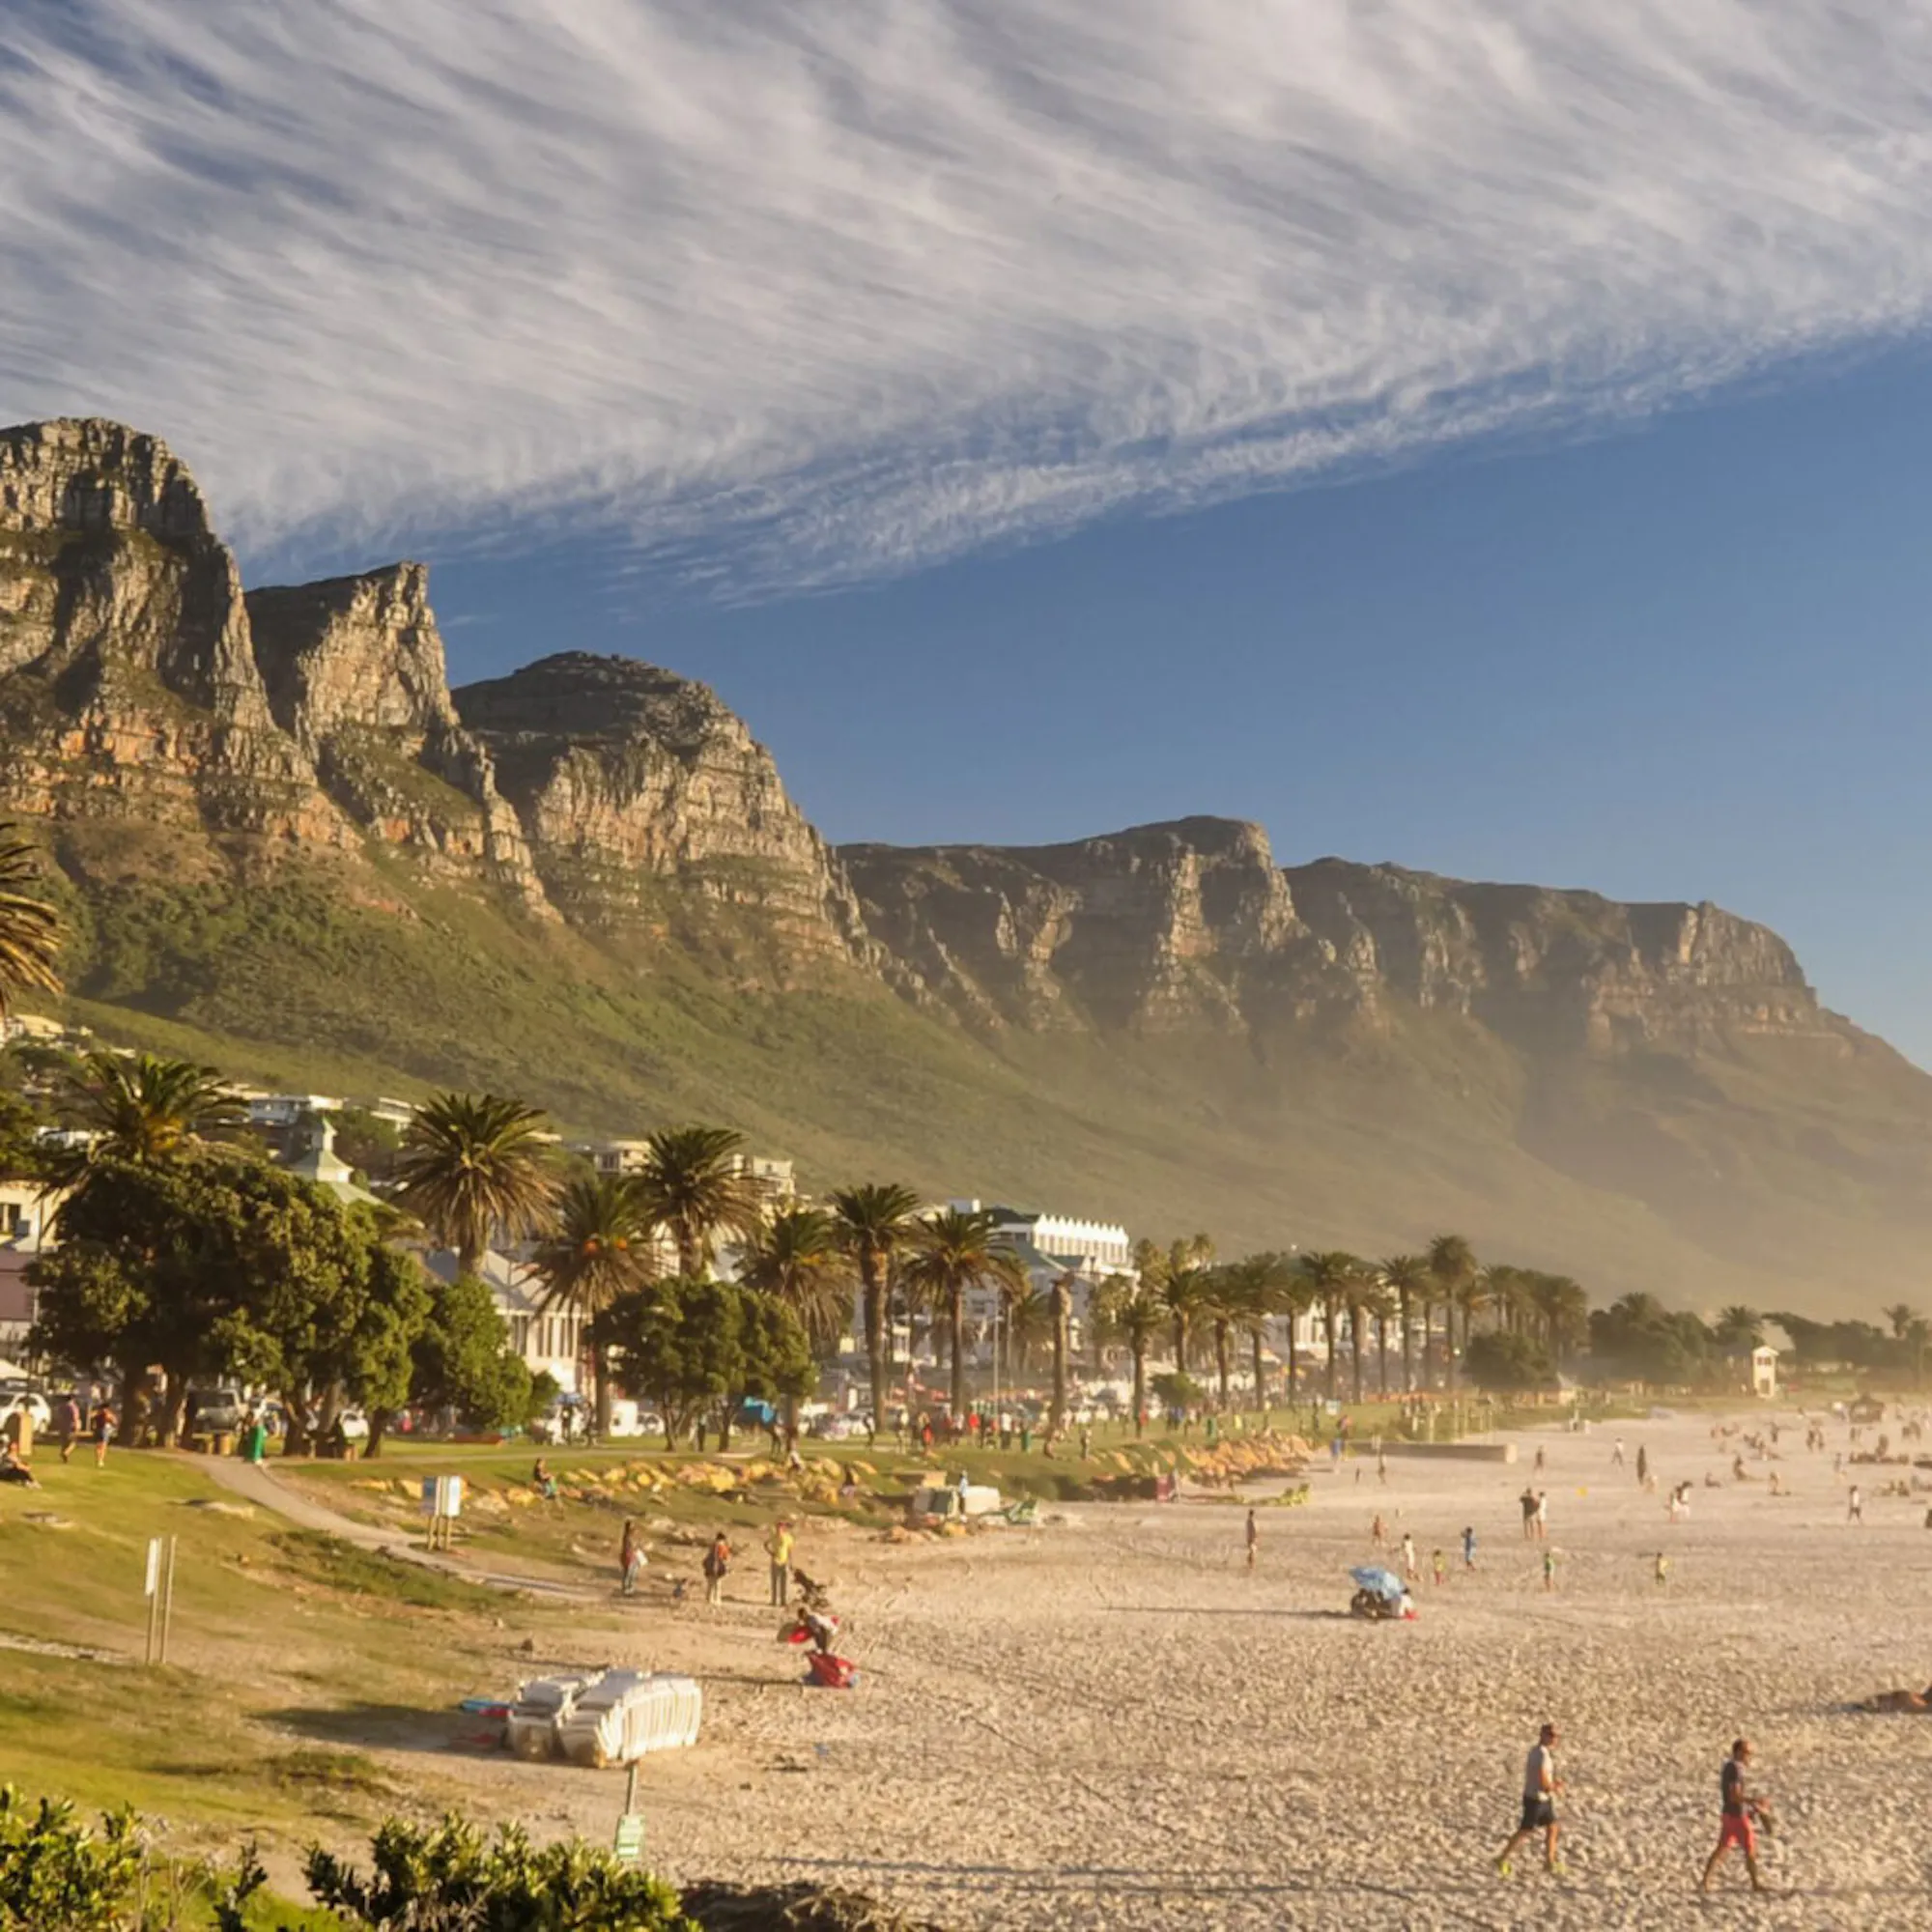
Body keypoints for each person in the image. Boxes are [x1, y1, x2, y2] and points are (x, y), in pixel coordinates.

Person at [1698, 1739, 1768, 1895]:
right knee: (1749, 1849)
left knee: (1722, 1848)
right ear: (1739, 1752)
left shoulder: (1730, 1768)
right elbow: (1734, 1795)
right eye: (1747, 1753)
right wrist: (1754, 1801)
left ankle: (1705, 1880)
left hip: (1729, 1814)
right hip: (1737, 1815)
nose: (1749, 1756)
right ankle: (1755, 1884)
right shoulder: (1735, 1769)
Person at [1496, 1721, 1563, 1877]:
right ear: (1542, 1735)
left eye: (1556, 1736)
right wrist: (1554, 1787)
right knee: (1525, 1831)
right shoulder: (1540, 1754)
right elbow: (1542, 1780)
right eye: (1550, 1735)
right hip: (1536, 1799)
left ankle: (1550, 1861)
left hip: (1543, 1798)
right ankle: (1502, 1858)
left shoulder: (1542, 1753)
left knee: (1552, 1827)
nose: (1554, 1738)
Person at [767, 1518, 795, 1606]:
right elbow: (765, 1544)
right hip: (775, 1561)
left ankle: (783, 1601)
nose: (778, 1528)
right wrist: (771, 1552)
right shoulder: (774, 1537)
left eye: (780, 1526)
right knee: (774, 1582)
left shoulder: (788, 1537)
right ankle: (774, 1600)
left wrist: (791, 1562)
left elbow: (790, 1551)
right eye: (777, 1526)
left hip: (784, 1561)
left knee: (784, 1582)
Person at [703, 1530, 731, 1606]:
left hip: (710, 1565)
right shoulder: (721, 1546)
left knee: (710, 1583)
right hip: (718, 1565)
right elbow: (723, 1557)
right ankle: (716, 1599)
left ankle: (709, 1598)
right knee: (717, 1584)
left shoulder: (713, 1545)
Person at [619, 1520, 645, 1596]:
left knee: (632, 1574)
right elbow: (631, 1547)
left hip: (633, 1557)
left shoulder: (631, 1537)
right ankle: (626, 1589)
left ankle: (630, 1589)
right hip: (628, 1557)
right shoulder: (627, 1537)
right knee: (628, 1573)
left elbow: (635, 1546)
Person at [55, 1393, 80, 1465]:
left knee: (64, 1442)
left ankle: (65, 1459)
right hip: (71, 1426)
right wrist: (76, 1426)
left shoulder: (61, 1407)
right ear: (73, 1399)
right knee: (73, 1442)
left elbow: (58, 1416)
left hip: (62, 1426)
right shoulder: (73, 1407)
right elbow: (75, 1417)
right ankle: (66, 1453)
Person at [91, 1402, 116, 1468]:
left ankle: (98, 1459)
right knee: (103, 1446)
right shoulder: (107, 1413)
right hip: (104, 1430)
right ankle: (100, 1460)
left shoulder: (97, 1412)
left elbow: (91, 1416)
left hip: (98, 1429)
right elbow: (114, 1421)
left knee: (98, 1446)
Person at [1244, 1507, 1258, 1571]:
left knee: (1252, 1550)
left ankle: (1250, 1562)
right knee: (1253, 1550)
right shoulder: (1251, 1521)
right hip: (1251, 1538)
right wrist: (1255, 1537)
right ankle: (1250, 1562)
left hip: (1249, 1537)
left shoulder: (1248, 1521)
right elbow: (1254, 1530)